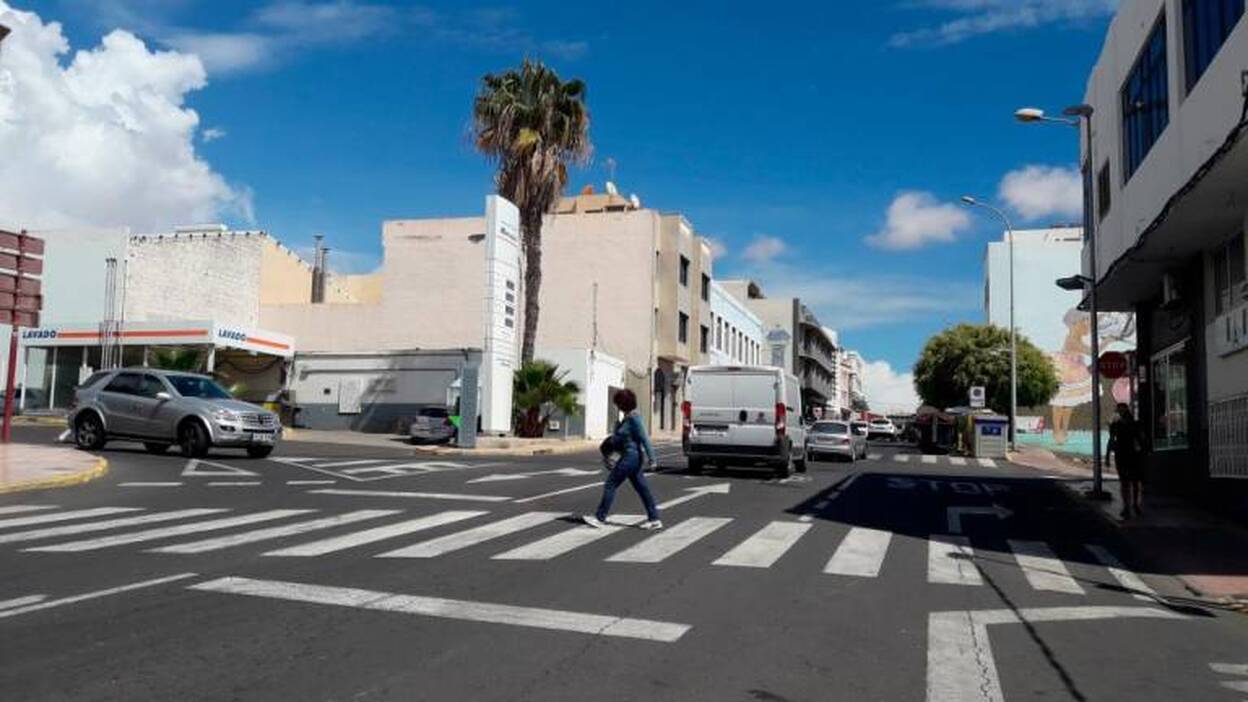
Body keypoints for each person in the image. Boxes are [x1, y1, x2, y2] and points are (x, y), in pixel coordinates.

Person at [583, 389, 663, 530]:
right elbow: (621, 439)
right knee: (642, 488)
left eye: (618, 403)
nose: (617, 406)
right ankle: (655, 519)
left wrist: (652, 459)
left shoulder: (634, 418)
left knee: (611, 484)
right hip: (631, 457)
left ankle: (600, 518)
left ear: (623, 404)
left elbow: (644, 439)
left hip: (631, 457)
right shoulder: (627, 419)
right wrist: (616, 430)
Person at [1107, 402, 1145, 519]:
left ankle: (1133, 505)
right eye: (1120, 410)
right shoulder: (1116, 425)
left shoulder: (1133, 424)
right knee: (1126, 482)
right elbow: (1111, 440)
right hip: (1123, 455)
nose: (1121, 412)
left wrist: (1142, 452)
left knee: (1133, 481)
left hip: (1131, 455)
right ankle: (1128, 506)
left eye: (1122, 410)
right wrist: (1107, 456)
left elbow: (1141, 439)